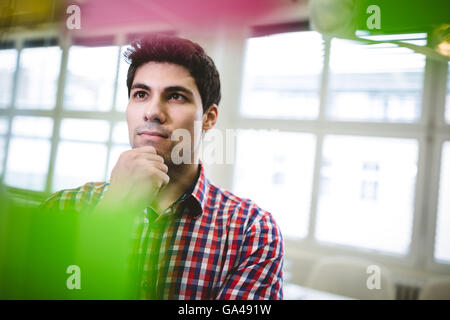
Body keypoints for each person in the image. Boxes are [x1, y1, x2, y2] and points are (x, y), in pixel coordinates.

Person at [41, 34, 284, 300]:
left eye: (176, 96)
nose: (153, 112)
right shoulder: (62, 208)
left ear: (209, 118)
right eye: (141, 94)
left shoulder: (252, 230)